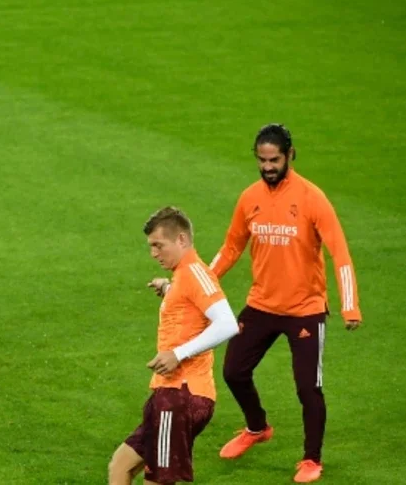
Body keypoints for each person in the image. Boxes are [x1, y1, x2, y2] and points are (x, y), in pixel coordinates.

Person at [157, 124, 362, 483]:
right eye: (262, 160)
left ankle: (311, 459)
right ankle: (257, 428)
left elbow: (339, 252)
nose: (268, 167)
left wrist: (350, 306)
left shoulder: (312, 198)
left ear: (290, 156)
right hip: (262, 305)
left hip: (305, 309)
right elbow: (233, 245)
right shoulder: (249, 197)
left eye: (274, 160)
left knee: (306, 387)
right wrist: (201, 282)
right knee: (234, 370)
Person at [108, 207, 238, 485]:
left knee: (157, 481)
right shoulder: (181, 276)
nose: (154, 253)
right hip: (167, 393)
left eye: (158, 245)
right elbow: (190, 305)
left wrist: (178, 354)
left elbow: (228, 323)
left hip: (183, 395)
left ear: (181, 240)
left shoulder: (195, 273)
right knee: (120, 465)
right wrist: (168, 289)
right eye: (151, 247)